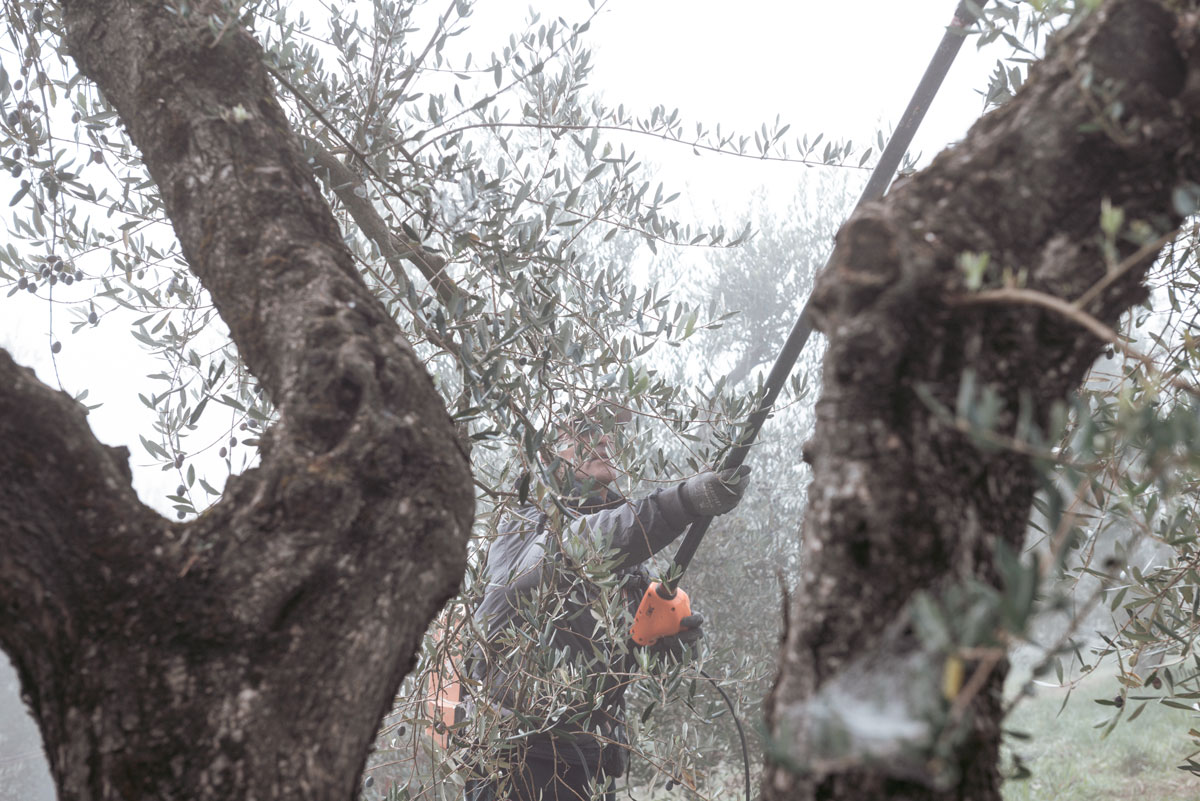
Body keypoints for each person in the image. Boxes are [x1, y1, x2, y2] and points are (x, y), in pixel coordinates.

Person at [462, 408, 751, 801]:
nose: (603, 437)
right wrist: (681, 501)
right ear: (545, 452)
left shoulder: (625, 545)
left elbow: (623, 651)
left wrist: (665, 643)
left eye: (609, 428)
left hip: (591, 765)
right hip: (516, 762)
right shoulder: (523, 520)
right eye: (584, 429)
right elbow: (570, 548)